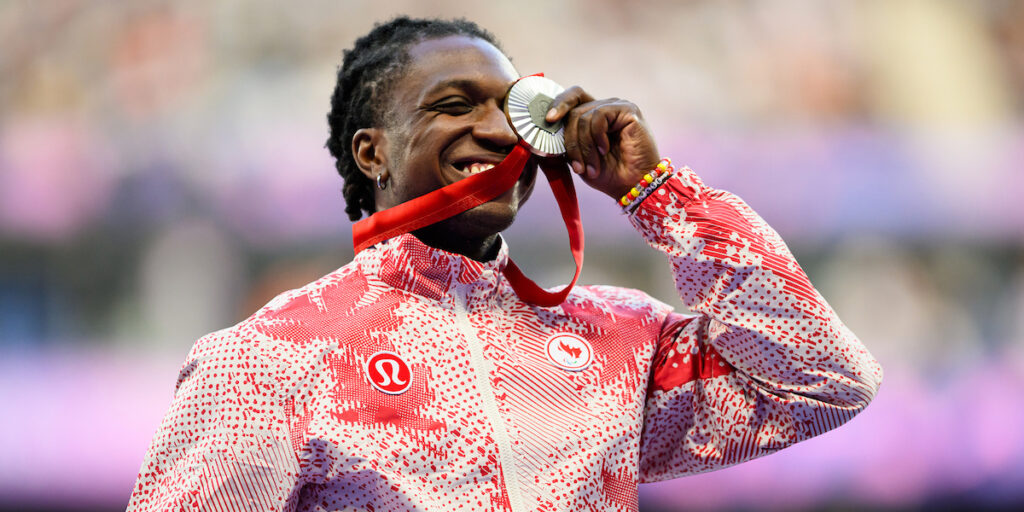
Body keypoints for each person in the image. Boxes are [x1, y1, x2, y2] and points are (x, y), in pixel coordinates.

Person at [127, 16, 882, 512]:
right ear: (373, 152)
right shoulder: (270, 361)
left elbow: (822, 383)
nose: (495, 132)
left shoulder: (617, 343)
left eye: (515, 112)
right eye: (453, 106)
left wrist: (658, 194)